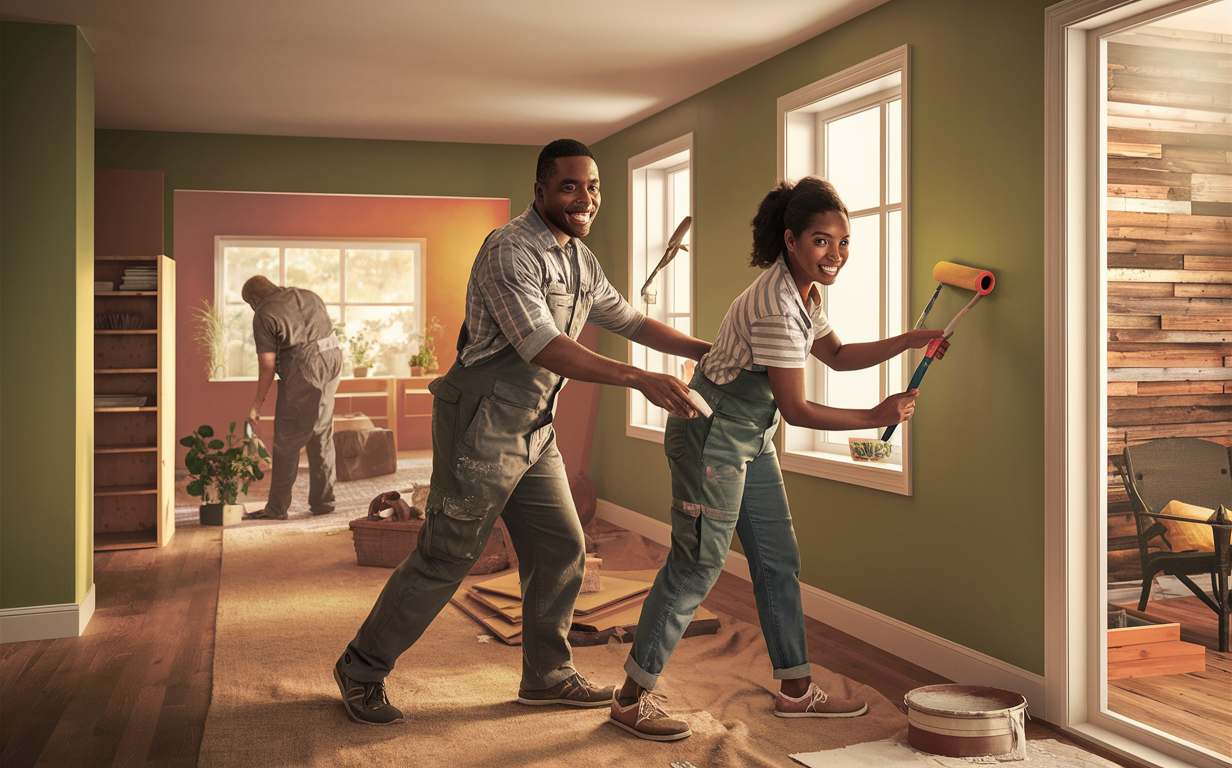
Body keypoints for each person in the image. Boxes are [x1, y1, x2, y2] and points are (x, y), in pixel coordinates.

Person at [333, 139, 712, 725]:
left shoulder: (580, 259)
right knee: (447, 554)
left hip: (534, 426)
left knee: (563, 544)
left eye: (593, 187)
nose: (585, 198)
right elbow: (542, 344)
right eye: (569, 187)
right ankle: (361, 669)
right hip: (481, 421)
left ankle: (547, 677)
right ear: (539, 190)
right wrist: (638, 378)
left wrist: (710, 351)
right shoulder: (512, 250)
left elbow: (629, 320)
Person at [609, 177, 948, 741]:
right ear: (790, 241)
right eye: (821, 241)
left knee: (777, 560)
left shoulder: (803, 294)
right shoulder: (775, 305)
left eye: (843, 243)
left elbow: (836, 355)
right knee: (696, 567)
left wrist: (909, 341)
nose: (834, 255)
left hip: (750, 438)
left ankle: (795, 690)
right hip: (711, 439)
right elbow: (796, 409)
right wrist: (875, 414)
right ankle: (630, 698)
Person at [241, 276, 344, 521]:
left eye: (251, 304)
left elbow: (266, 363)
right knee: (321, 430)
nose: (254, 308)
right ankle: (323, 501)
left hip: (304, 368)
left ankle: (276, 509)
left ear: (255, 299)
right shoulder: (308, 294)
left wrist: (257, 403)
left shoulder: (264, 313)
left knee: (287, 440)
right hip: (333, 360)